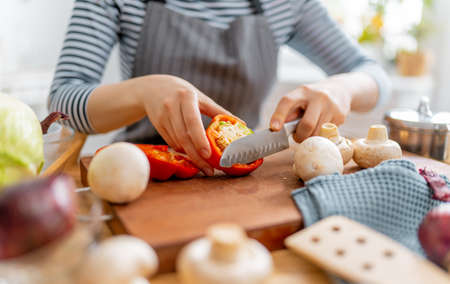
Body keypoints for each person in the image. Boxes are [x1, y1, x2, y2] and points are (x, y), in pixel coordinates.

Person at [49, 0, 390, 176]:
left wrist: (343, 87)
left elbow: (373, 75)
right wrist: (144, 91)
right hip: (139, 174)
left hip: (240, 177)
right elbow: (63, 99)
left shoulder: (284, 4)